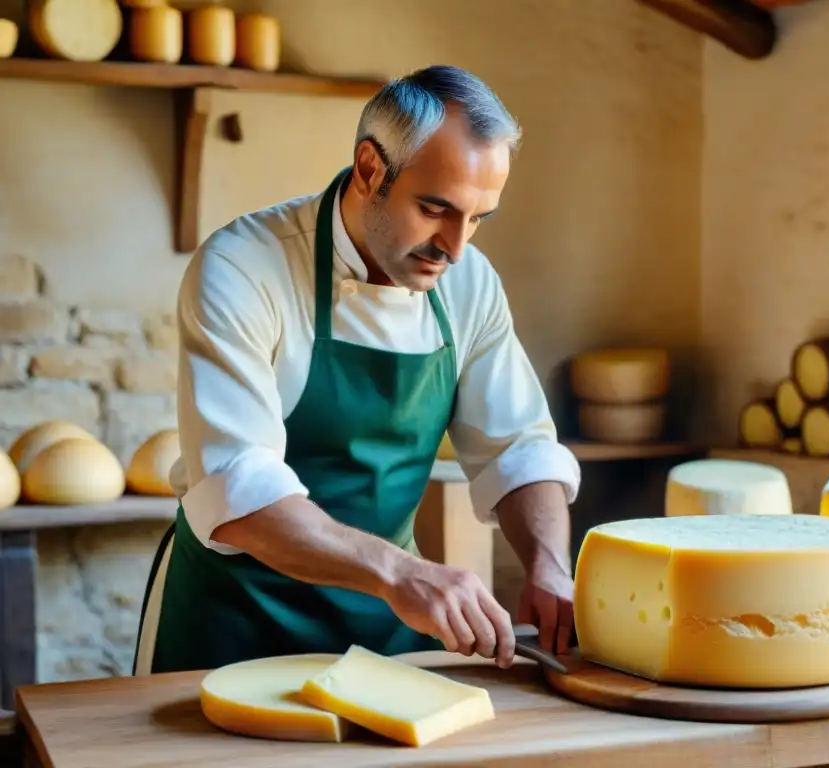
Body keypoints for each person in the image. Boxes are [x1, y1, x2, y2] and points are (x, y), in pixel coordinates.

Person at [131, 64, 581, 677]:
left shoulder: (469, 284)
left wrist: (550, 564)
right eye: (435, 209)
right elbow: (238, 485)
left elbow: (518, 447)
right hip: (233, 623)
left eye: (478, 219)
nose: (455, 246)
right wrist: (401, 573)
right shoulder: (242, 268)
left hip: (387, 629)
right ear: (371, 168)